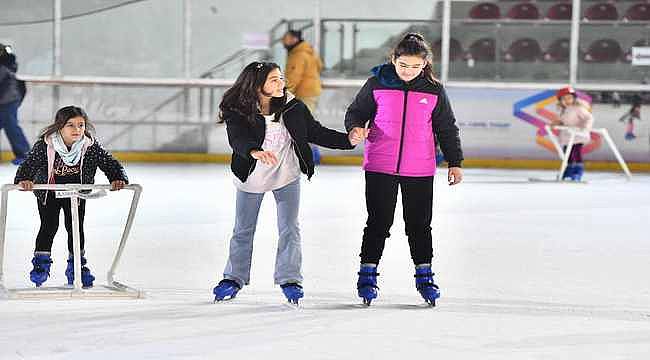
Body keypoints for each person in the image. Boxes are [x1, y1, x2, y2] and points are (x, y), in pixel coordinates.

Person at [213, 62, 358, 304]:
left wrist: (348, 141)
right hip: (251, 175)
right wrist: (254, 152)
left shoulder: (293, 107)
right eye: (274, 80)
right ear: (257, 85)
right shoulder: (237, 109)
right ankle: (233, 278)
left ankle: (290, 278)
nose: (282, 83)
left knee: (290, 227)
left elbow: (315, 132)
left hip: (286, 175)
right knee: (243, 229)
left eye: (280, 78)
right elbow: (237, 138)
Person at [345, 33, 464, 306]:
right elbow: (355, 112)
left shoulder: (434, 90)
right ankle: (367, 275)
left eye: (415, 66)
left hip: (420, 168)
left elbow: (446, 127)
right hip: (380, 165)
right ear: (393, 60)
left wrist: (454, 162)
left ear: (425, 64)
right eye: (403, 65)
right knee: (378, 222)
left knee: (419, 225)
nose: (408, 71)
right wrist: (354, 127)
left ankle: (425, 276)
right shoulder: (376, 83)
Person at [14, 106, 128, 288]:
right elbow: (28, 165)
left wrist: (118, 177)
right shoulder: (46, 144)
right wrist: (24, 180)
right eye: (71, 125)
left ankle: (76, 267)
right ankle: (41, 263)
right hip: (49, 193)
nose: (77, 130)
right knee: (49, 226)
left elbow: (109, 162)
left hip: (76, 193)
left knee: (75, 228)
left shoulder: (89, 145)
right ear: (60, 127)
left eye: (81, 125)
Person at [282, 30, 324, 164]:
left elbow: (293, 77)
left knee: (302, 125)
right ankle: (312, 154)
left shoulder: (298, 54)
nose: (284, 41)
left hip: (303, 94)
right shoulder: (309, 51)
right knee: (306, 124)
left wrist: (284, 95)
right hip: (311, 93)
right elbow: (320, 66)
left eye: (286, 38)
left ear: (294, 39)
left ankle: (311, 155)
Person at [551, 86, 594, 181]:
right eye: (564, 99)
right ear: (560, 101)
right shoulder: (562, 111)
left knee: (575, 153)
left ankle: (577, 171)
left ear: (574, 99)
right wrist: (557, 123)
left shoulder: (578, 108)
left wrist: (586, 128)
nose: (567, 101)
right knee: (567, 154)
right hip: (567, 137)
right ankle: (568, 170)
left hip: (578, 135)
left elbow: (589, 118)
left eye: (569, 98)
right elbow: (563, 122)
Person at [0, 43, 30, 165]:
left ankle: (25, 155)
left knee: (11, 126)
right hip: (7, 99)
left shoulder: (4, 66)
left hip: (8, 100)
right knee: (10, 125)